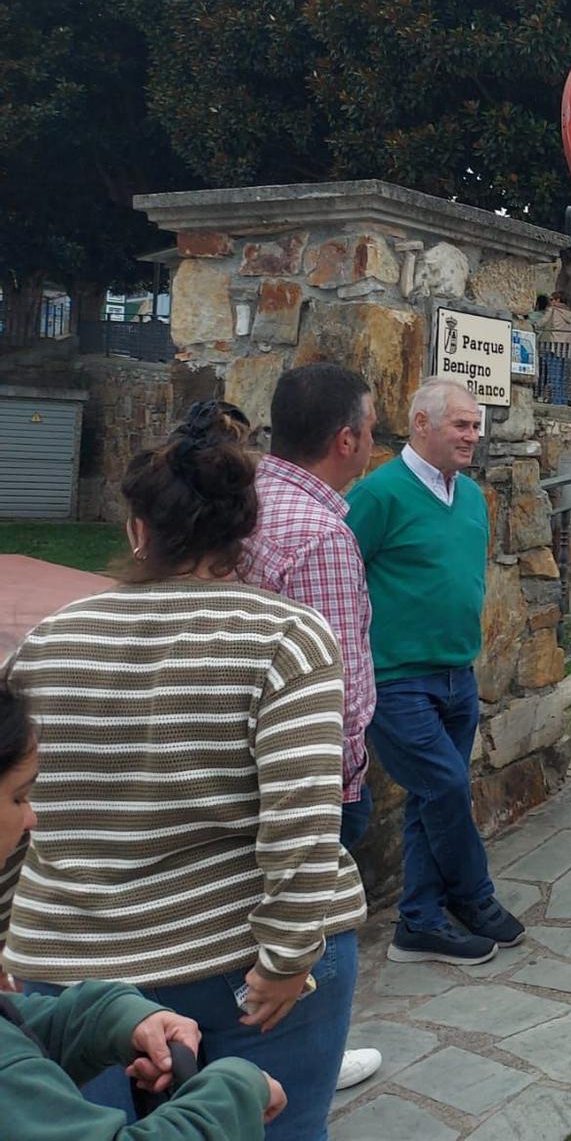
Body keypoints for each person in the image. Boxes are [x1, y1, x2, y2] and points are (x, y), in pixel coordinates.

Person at [4, 405, 365, 1138]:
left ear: (137, 530)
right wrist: (290, 955)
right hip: (245, 968)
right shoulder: (285, 640)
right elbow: (303, 813)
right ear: (244, 531)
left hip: (70, 967)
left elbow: (12, 806)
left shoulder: (44, 646)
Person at [0, 679, 289, 1137]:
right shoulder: (285, 638)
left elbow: (14, 1036)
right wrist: (237, 1090)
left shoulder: (47, 638)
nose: (32, 817)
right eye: (18, 796)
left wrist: (110, 1017)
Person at [237, 363, 384, 1092]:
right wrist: (348, 783)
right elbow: (342, 691)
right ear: (346, 439)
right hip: (306, 778)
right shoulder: (321, 533)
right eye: (373, 428)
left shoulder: (244, 498)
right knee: (309, 930)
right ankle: (304, 1067)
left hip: (235, 762)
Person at [347, 377, 523, 967]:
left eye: (476, 425)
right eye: (462, 426)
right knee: (445, 786)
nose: (474, 436)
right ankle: (474, 897)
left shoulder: (470, 496)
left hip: (458, 674)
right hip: (397, 677)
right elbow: (344, 576)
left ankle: (418, 922)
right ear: (422, 425)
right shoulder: (378, 495)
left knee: (431, 798)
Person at [539, 291, 571, 406]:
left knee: (553, 375)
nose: (550, 302)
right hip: (566, 348)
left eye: (552, 299)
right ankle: (562, 401)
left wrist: (533, 325)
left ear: (558, 300)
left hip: (554, 346)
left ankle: (556, 402)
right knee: (562, 377)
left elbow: (542, 322)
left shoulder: (553, 310)